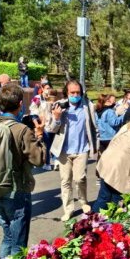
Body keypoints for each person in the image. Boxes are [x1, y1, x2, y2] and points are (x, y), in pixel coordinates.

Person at [0, 83, 46, 259]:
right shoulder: (21, 130)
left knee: (7, 235)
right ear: (20, 104)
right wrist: (39, 135)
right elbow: (38, 160)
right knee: (18, 242)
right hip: (16, 189)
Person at [46, 80, 97, 221]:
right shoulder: (59, 106)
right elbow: (50, 129)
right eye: (72, 93)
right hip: (64, 151)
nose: (75, 95)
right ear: (66, 93)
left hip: (82, 149)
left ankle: (83, 202)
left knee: (80, 178)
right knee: (65, 181)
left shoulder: (88, 106)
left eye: (78, 92)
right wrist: (56, 118)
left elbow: (94, 126)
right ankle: (68, 209)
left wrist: (96, 144)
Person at [30, 81, 54, 170]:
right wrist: (37, 123)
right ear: (42, 89)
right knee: (45, 143)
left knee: (51, 143)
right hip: (42, 125)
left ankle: (53, 161)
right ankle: (46, 162)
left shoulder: (52, 98)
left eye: (49, 88)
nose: (48, 90)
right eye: (47, 88)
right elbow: (32, 110)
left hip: (52, 124)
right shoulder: (37, 98)